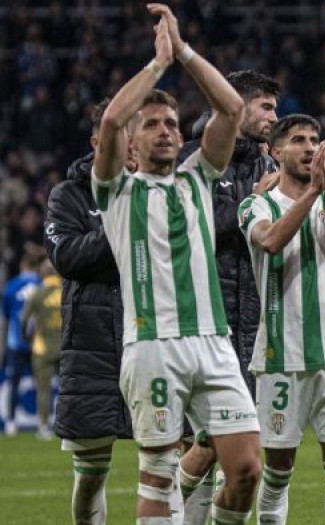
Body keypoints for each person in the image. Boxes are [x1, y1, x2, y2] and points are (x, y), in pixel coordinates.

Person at [90, 5, 260, 522]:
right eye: (153, 125)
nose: (166, 131)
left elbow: (231, 110)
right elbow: (112, 118)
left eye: (171, 124)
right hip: (151, 345)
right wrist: (157, 64)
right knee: (158, 474)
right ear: (133, 147)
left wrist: (184, 51)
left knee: (247, 467)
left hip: (213, 342)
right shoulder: (117, 191)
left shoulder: (196, 180)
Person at [240, 115, 325, 524]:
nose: (311, 146)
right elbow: (273, 241)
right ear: (276, 152)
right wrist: (315, 190)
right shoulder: (255, 204)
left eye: (315, 139)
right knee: (278, 472)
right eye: (299, 140)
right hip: (282, 356)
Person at [175, 67, 280, 525]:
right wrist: (250, 206)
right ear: (236, 106)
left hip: (253, 321)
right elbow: (187, 222)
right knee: (197, 441)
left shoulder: (266, 165)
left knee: (238, 445)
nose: (273, 117)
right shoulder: (193, 156)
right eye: (265, 106)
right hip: (201, 319)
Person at [44, 98, 144, 525]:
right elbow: (66, 257)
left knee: (167, 466)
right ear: (97, 142)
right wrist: (123, 221)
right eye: (124, 132)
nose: (134, 142)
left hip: (154, 337)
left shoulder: (169, 188)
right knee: (90, 475)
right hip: (92, 344)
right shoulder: (68, 195)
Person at [20, 258, 63, 440]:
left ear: (42, 273)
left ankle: (44, 427)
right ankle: (66, 425)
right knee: (67, 389)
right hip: (65, 347)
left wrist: (26, 337)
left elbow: (24, 321)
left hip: (42, 348)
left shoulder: (37, 294)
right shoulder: (66, 292)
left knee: (43, 390)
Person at [2, 251, 42, 437]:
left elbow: (7, 318)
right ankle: (44, 423)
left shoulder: (11, 286)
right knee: (42, 383)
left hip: (16, 343)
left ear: (22, 266)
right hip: (39, 343)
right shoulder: (41, 285)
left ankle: (10, 422)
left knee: (14, 383)